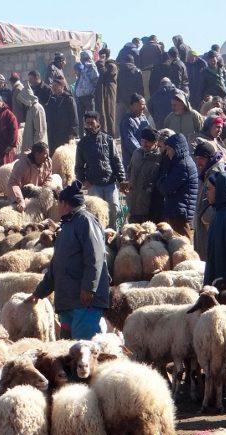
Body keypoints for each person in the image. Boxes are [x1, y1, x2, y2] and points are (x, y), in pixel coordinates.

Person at [27, 182, 110, 339]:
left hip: (84, 302)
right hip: (69, 301)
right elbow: (56, 266)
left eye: (58, 203)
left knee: (83, 351)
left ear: (63, 203)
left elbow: (95, 256)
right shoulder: (66, 226)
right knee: (68, 355)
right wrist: (39, 292)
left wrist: (89, 287)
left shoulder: (86, 221)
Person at [76, 111, 125, 229]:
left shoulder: (108, 139)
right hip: (93, 184)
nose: (89, 126)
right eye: (87, 123)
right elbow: (78, 167)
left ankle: (114, 238)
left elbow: (116, 160)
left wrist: (122, 179)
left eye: (92, 123)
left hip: (110, 183)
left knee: (114, 211)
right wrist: (83, 181)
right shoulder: (82, 144)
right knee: (96, 214)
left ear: (98, 123)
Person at [125, 128, 162, 223]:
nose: (144, 144)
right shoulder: (136, 153)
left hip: (149, 206)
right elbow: (130, 170)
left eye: (148, 142)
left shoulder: (160, 158)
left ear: (156, 142)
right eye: (143, 141)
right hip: (133, 203)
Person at [45, 78, 79, 154]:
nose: (53, 88)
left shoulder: (69, 99)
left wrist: (72, 133)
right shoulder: (51, 100)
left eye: (56, 85)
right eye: (52, 86)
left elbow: (74, 118)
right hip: (53, 133)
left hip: (65, 133)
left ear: (62, 86)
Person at [118, 94, 150, 171]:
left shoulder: (143, 118)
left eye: (144, 105)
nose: (144, 107)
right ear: (132, 105)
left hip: (145, 158)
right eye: (141, 105)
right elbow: (130, 141)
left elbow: (150, 133)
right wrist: (142, 152)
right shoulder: (127, 121)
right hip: (133, 160)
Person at [95, 48, 119, 137]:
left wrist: (101, 63)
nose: (100, 58)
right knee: (102, 112)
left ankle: (111, 134)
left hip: (108, 92)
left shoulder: (111, 65)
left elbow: (104, 73)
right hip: (103, 92)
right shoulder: (106, 65)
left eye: (102, 56)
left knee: (109, 113)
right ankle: (104, 133)